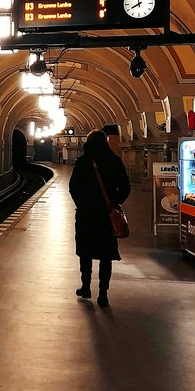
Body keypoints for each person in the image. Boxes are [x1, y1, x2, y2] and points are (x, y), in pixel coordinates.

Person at [68, 129, 131, 307]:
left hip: (86, 215)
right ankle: (103, 292)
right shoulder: (115, 161)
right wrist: (115, 203)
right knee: (106, 255)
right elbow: (125, 188)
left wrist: (82, 204)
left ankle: (86, 286)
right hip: (106, 214)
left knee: (85, 251)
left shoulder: (83, 161)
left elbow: (73, 187)